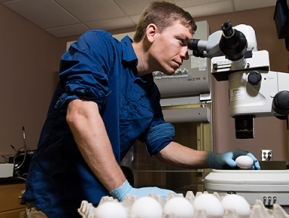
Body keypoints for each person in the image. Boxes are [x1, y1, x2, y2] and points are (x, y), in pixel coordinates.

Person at [21, 1, 260, 217]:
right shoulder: (99, 46)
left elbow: (162, 146)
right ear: (152, 32)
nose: (186, 53)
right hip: (54, 201)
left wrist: (214, 158)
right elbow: (80, 115)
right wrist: (125, 190)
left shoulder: (150, 92)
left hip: (99, 203)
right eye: (181, 41)